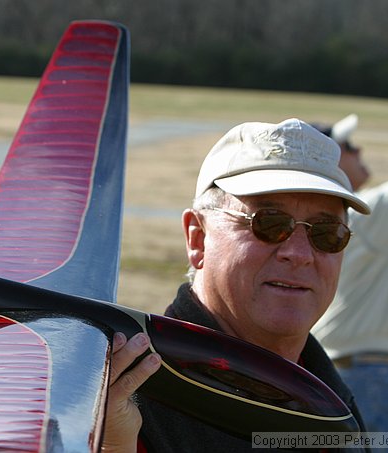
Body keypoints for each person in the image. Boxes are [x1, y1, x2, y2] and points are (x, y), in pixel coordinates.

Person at [101, 118, 371, 452]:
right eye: (270, 223)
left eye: (327, 233)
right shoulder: (125, 397)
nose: (300, 254)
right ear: (197, 238)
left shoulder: (327, 395)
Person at [311, 114, 388, 441]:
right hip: (368, 374)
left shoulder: (323, 219)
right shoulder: (370, 215)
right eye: (348, 146)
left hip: (330, 372)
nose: (359, 150)